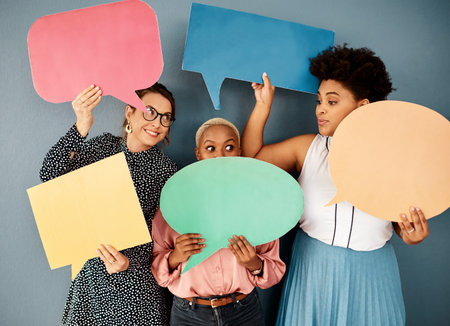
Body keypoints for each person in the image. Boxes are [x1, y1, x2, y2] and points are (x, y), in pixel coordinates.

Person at [241, 45, 430, 326]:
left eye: (331, 102)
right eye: (319, 100)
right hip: (313, 269)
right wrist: (263, 105)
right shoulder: (307, 148)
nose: (320, 110)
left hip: (374, 275)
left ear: (362, 106)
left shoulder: (393, 157)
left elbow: (401, 222)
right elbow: (252, 162)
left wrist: (413, 236)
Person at [40, 83, 178, 325]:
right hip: (91, 282)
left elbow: (164, 237)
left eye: (166, 118)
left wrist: (129, 261)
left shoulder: (167, 171)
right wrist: (82, 124)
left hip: (136, 288)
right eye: (150, 112)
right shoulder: (103, 146)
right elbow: (50, 175)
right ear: (129, 112)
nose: (157, 123)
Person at [151, 118, 286, 326]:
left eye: (229, 147)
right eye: (210, 148)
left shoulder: (256, 203)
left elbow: (274, 268)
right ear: (198, 154)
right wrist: (175, 256)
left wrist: (255, 264)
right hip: (189, 315)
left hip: (244, 312)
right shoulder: (175, 201)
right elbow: (159, 271)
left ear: (239, 152)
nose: (220, 155)